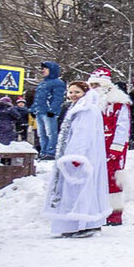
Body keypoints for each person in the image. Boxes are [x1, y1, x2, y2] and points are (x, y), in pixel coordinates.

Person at [42, 81, 109, 238]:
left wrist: (76, 156)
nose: (73, 95)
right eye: (70, 92)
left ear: (84, 93)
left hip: (79, 156)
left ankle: (81, 223)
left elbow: (82, 134)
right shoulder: (80, 108)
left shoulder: (86, 109)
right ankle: (78, 223)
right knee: (79, 189)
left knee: (78, 190)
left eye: (77, 92)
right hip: (77, 155)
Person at [86, 68, 131, 226]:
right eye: (91, 85)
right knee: (94, 177)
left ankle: (114, 213)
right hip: (94, 145)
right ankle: (96, 209)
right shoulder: (90, 103)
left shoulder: (118, 103)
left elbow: (122, 127)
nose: (93, 88)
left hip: (111, 144)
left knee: (113, 178)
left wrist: (116, 148)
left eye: (97, 84)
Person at [31, 62, 66, 159]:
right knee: (41, 134)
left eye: (45, 69)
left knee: (50, 133)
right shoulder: (42, 83)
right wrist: (33, 109)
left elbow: (58, 98)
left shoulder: (58, 83)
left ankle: (51, 152)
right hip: (40, 111)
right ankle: (43, 151)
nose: (42, 71)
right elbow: (38, 98)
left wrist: (52, 110)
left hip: (48, 112)